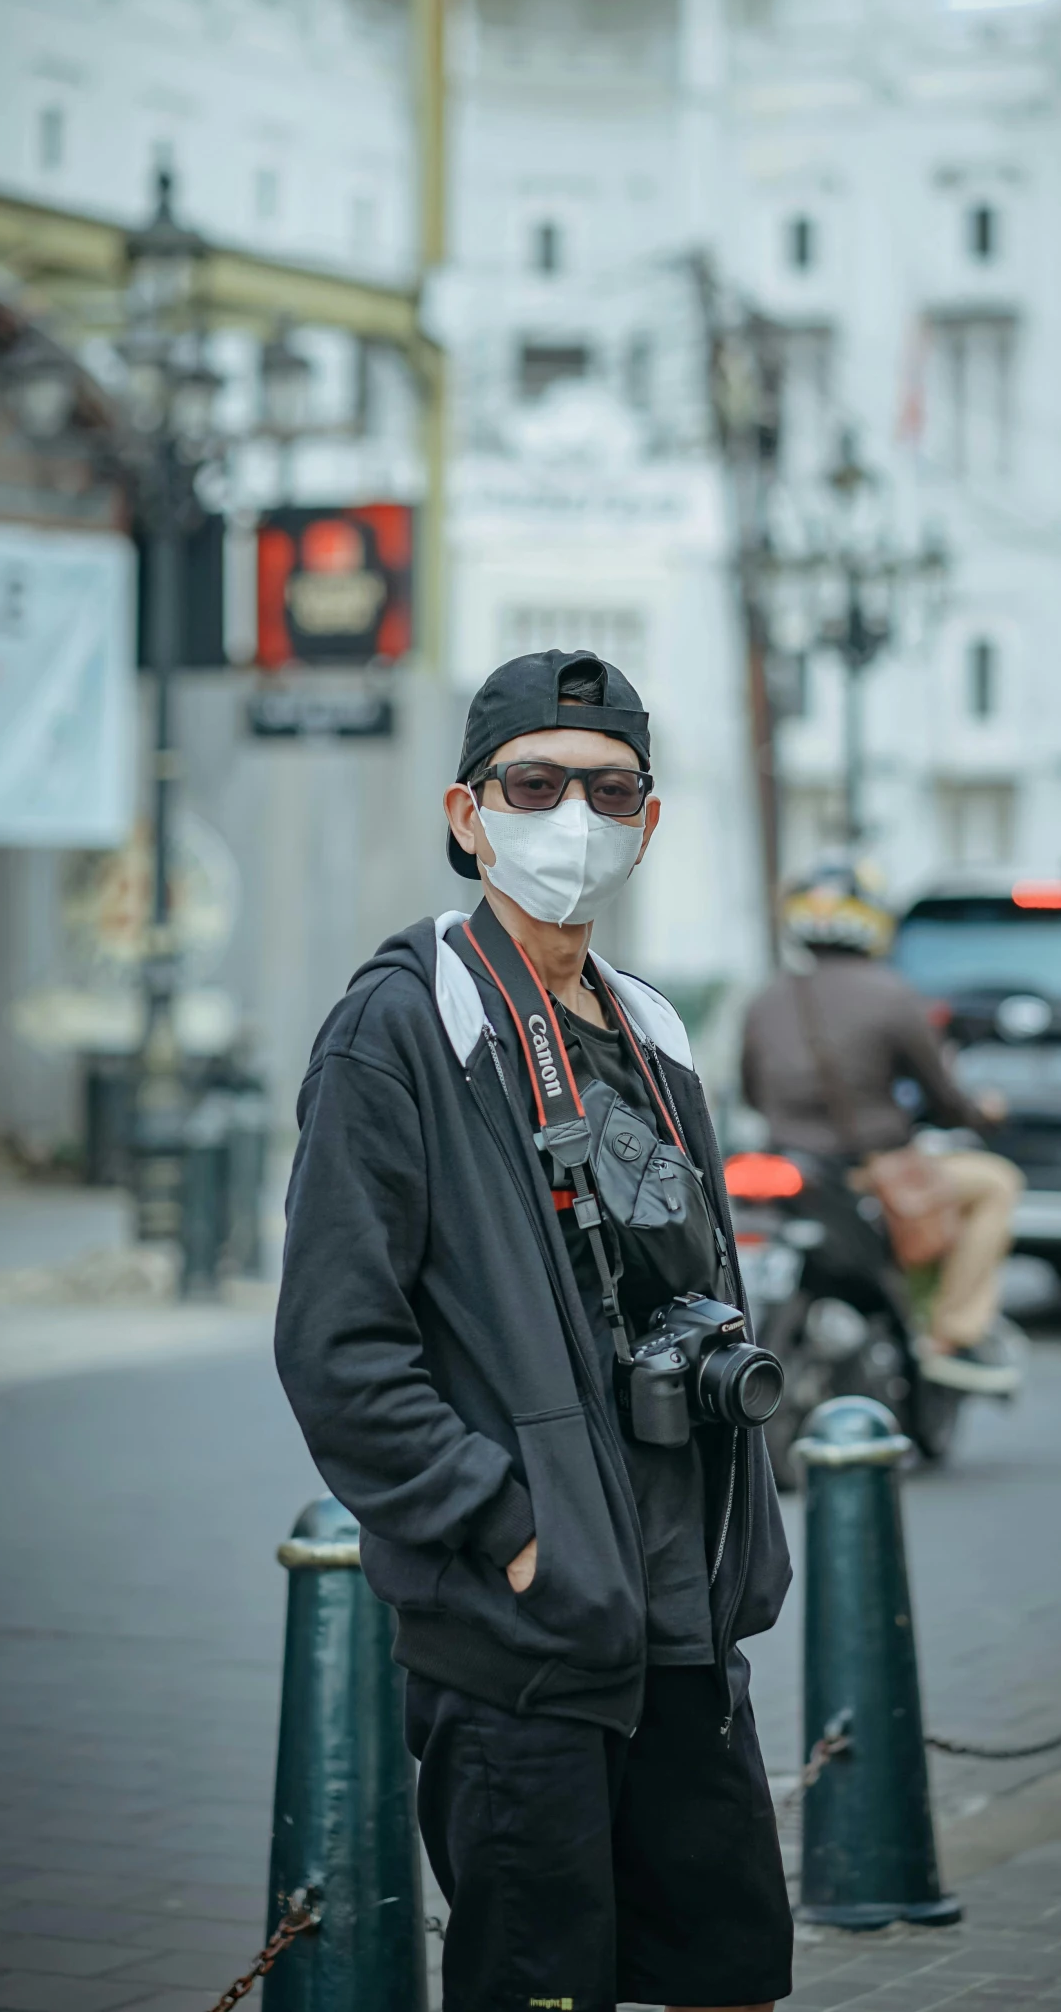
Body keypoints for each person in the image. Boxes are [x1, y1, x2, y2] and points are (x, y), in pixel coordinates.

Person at [276, 648, 794, 2012]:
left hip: (680, 1626)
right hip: (525, 1643)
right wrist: (504, 1530)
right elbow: (337, 1344)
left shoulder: (656, 1029)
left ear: (646, 822)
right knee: (540, 1986)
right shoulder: (400, 1028)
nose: (573, 815)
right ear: (466, 813)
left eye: (608, 789)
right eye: (535, 783)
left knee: (727, 1974)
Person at [740, 860, 1025, 1395]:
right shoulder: (893, 994)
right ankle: (956, 1333)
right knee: (996, 1183)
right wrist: (980, 1113)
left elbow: (752, 1090)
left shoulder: (766, 998)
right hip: (868, 1171)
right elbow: (943, 1096)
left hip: (785, 1162)